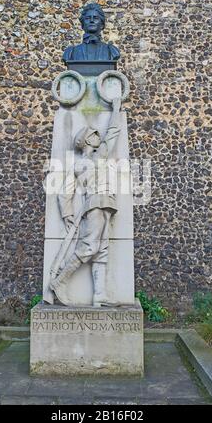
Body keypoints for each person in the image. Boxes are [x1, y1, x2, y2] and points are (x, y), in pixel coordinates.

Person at [50, 98, 122, 306]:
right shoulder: (95, 158)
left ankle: (100, 295)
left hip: (105, 205)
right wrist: (116, 109)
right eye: (94, 136)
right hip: (95, 205)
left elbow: (65, 193)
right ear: (88, 141)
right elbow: (113, 132)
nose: (98, 138)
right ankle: (60, 281)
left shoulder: (85, 162)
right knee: (90, 247)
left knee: (102, 249)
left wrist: (67, 213)